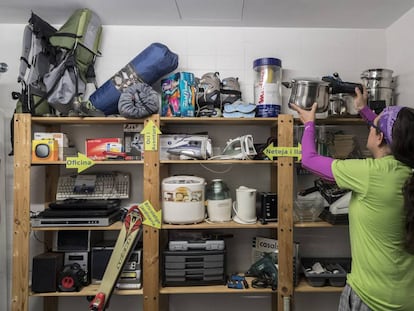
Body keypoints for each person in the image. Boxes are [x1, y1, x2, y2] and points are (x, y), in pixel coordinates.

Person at [290, 87, 414, 311]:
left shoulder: (369, 174)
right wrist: (363, 110)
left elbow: (308, 159)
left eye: (372, 126)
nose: (369, 128)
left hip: (371, 299)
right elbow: (388, 136)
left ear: (379, 136)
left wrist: (309, 123)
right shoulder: (407, 172)